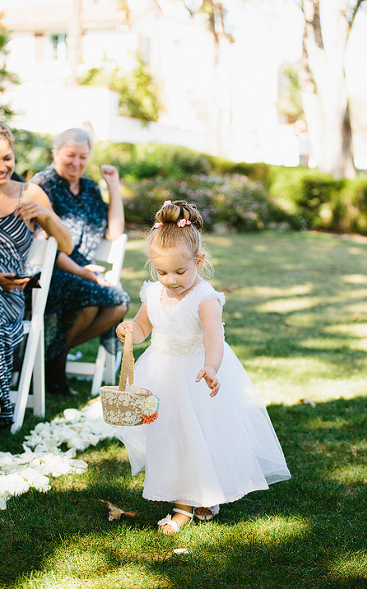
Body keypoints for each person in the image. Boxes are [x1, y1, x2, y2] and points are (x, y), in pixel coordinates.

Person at [113, 200, 290, 534]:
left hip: (196, 374)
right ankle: (186, 501)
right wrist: (128, 330)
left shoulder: (205, 297)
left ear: (199, 261)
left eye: (180, 271)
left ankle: (198, 499)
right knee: (172, 438)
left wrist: (211, 366)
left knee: (201, 436)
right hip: (162, 374)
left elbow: (213, 339)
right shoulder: (153, 293)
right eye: (162, 272)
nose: (170, 280)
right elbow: (142, 328)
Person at [0, 121, 72, 429]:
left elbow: (67, 244)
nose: (2, 166)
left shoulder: (30, 193)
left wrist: (45, 215)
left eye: (7, 158)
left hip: (10, 295)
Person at [30, 127, 130, 394]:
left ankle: (53, 356)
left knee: (118, 304)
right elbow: (40, 241)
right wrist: (81, 271)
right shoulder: (42, 185)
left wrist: (113, 187)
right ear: (56, 154)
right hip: (49, 272)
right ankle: (54, 364)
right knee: (95, 300)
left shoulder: (88, 187)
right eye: (70, 155)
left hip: (83, 274)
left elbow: (114, 232)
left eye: (82, 157)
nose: (76, 162)